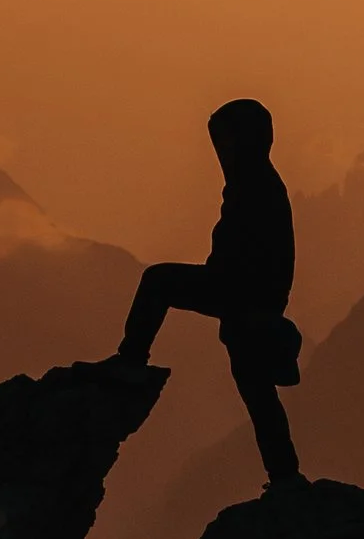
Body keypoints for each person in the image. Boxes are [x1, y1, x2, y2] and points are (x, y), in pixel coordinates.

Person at [116, 97, 303, 484]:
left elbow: (257, 254)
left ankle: (129, 362)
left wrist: (250, 302)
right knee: (258, 393)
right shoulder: (256, 182)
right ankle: (285, 475)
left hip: (242, 295)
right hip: (250, 299)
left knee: (158, 281)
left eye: (226, 140)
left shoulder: (255, 186)